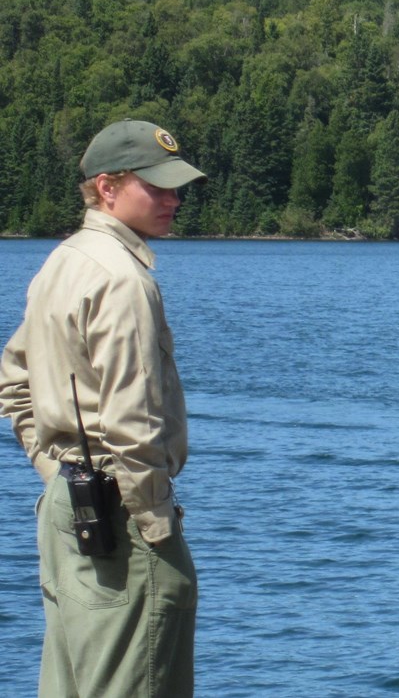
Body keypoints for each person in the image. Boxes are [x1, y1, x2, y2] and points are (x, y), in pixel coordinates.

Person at [0, 120, 206, 697]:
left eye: (175, 187)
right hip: (120, 514)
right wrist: (158, 529)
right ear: (108, 188)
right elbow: (130, 422)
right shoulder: (123, 280)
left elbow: (14, 379)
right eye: (157, 186)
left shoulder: (63, 262)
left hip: (69, 506)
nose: (173, 199)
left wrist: (54, 472)